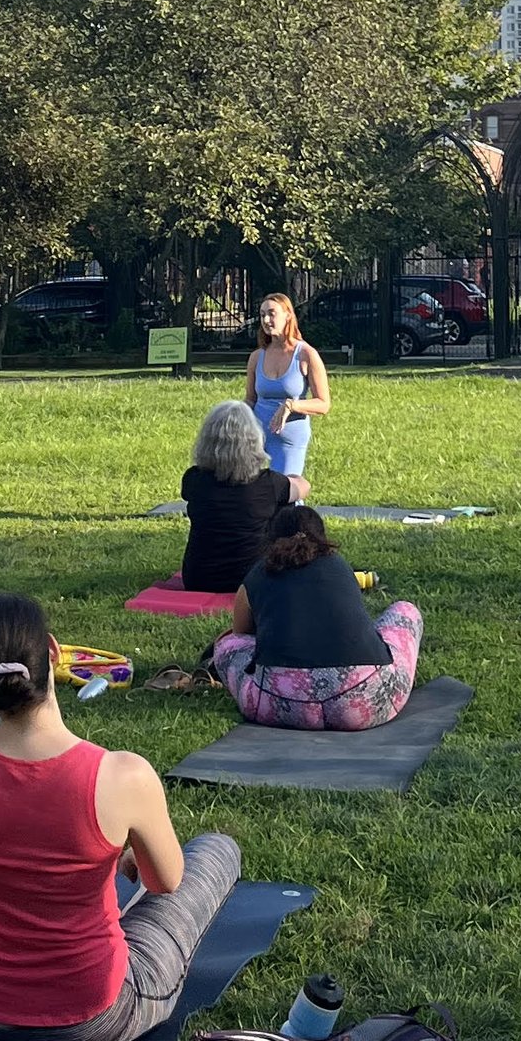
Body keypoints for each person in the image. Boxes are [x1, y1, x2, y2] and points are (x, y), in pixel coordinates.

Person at [0, 595, 242, 1041]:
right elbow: (164, 881)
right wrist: (113, 853)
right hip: (92, 1017)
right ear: (52, 652)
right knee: (216, 849)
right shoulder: (123, 775)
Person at [214, 508, 421, 730]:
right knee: (405, 611)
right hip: (366, 704)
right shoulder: (340, 567)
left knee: (227, 644)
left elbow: (241, 635)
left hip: (277, 707)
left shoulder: (257, 574)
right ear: (321, 536)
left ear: (270, 538)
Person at [176, 400, 302, 593]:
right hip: (251, 579)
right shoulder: (268, 484)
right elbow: (303, 487)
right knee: (288, 506)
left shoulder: (194, 479)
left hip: (198, 578)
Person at [244, 294, 329, 492]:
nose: (266, 320)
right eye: (262, 315)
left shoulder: (306, 354)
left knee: (282, 494)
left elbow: (323, 404)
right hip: (255, 436)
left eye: (272, 314)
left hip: (288, 438)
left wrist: (292, 405)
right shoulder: (256, 357)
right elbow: (250, 400)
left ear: (288, 315)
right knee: (248, 493)